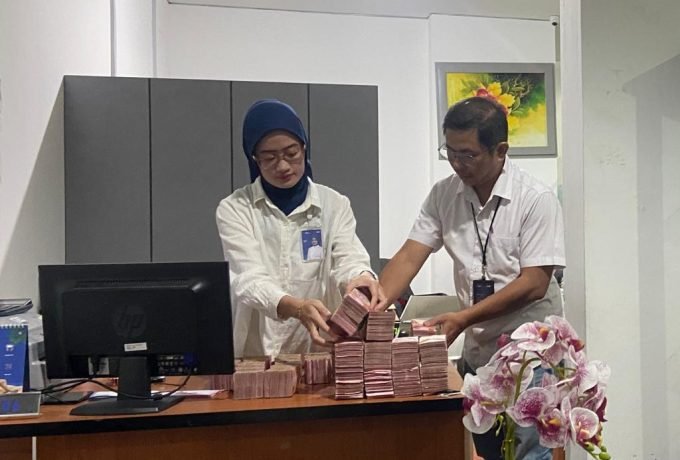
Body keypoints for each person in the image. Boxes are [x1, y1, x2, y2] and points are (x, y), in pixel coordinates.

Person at [379, 96, 565, 460]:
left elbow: (534, 283)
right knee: (490, 450)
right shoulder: (444, 194)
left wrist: (463, 318)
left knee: (530, 454)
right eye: (450, 151)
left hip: (531, 353)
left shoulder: (535, 199)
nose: (456, 163)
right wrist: (374, 304)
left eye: (468, 155)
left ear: (500, 151)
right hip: (480, 350)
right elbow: (410, 255)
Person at [216, 99, 386, 359]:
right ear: (254, 159)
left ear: (304, 148)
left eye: (291, 153)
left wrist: (360, 277)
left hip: (317, 348)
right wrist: (296, 307)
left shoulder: (334, 204)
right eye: (269, 158)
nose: (283, 166)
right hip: (258, 352)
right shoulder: (235, 208)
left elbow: (348, 257)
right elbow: (248, 279)